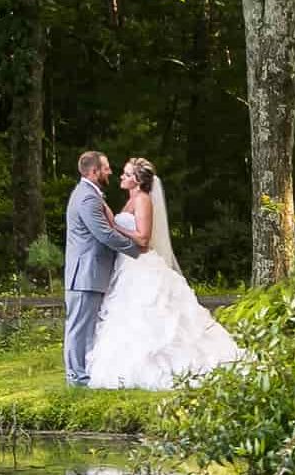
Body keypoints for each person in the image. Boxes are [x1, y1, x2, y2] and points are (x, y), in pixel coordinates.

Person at [85, 157, 245, 390]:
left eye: (127, 174)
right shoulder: (131, 201)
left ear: (138, 181)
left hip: (140, 266)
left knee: (152, 314)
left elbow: (142, 238)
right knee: (127, 317)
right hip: (127, 266)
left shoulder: (143, 200)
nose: (121, 176)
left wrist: (113, 226)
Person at [62, 150, 142, 388]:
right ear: (94, 171)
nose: (110, 171)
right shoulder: (87, 197)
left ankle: (84, 374)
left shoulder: (91, 194)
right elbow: (103, 233)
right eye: (106, 167)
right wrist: (136, 251)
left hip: (92, 273)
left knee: (87, 328)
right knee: (78, 327)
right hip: (85, 274)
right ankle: (76, 378)